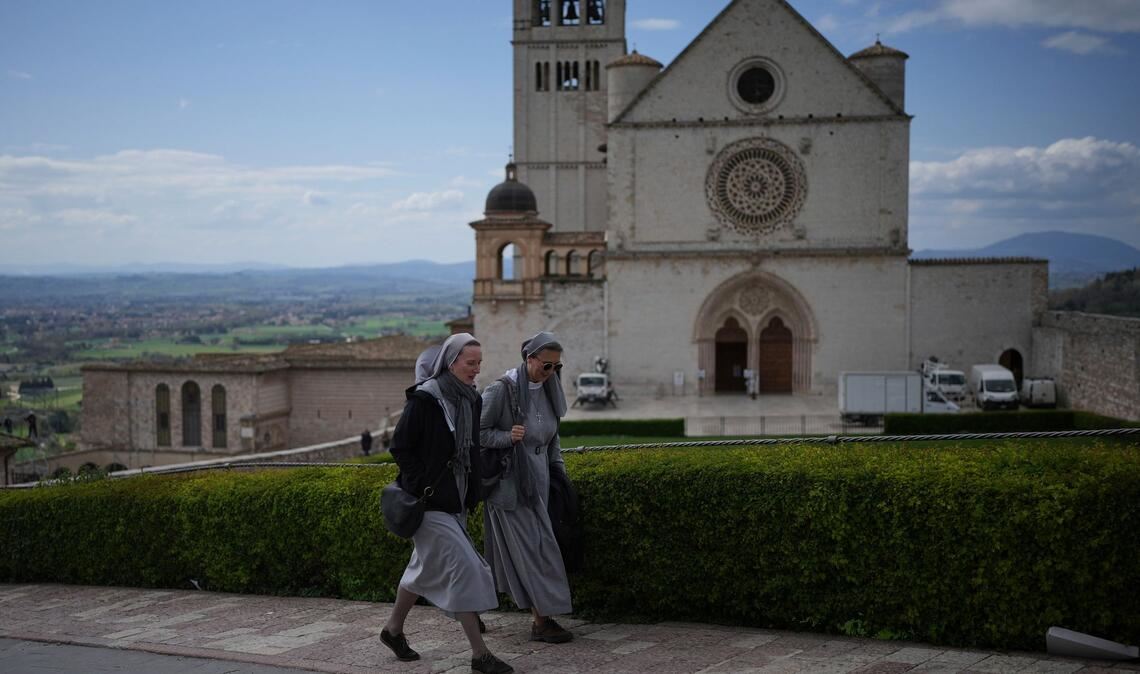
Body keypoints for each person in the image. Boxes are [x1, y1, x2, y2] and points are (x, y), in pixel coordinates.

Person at [380, 334, 512, 674]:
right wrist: (422, 484)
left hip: (456, 499)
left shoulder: (471, 399)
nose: (476, 369)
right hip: (428, 505)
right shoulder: (425, 399)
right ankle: (480, 655)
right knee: (465, 569)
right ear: (451, 362)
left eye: (479, 363)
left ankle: (392, 631)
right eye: (470, 363)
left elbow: (470, 450)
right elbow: (401, 448)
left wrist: (474, 492)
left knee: (420, 569)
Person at [480, 331, 574, 644]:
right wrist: (507, 437)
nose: (550, 373)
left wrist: (559, 475)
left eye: (556, 367)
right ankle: (541, 620)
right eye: (545, 366)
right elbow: (476, 434)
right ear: (529, 359)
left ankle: (471, 607)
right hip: (511, 487)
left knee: (538, 548)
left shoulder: (549, 390)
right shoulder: (501, 390)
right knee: (533, 551)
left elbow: (552, 438)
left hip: (541, 484)